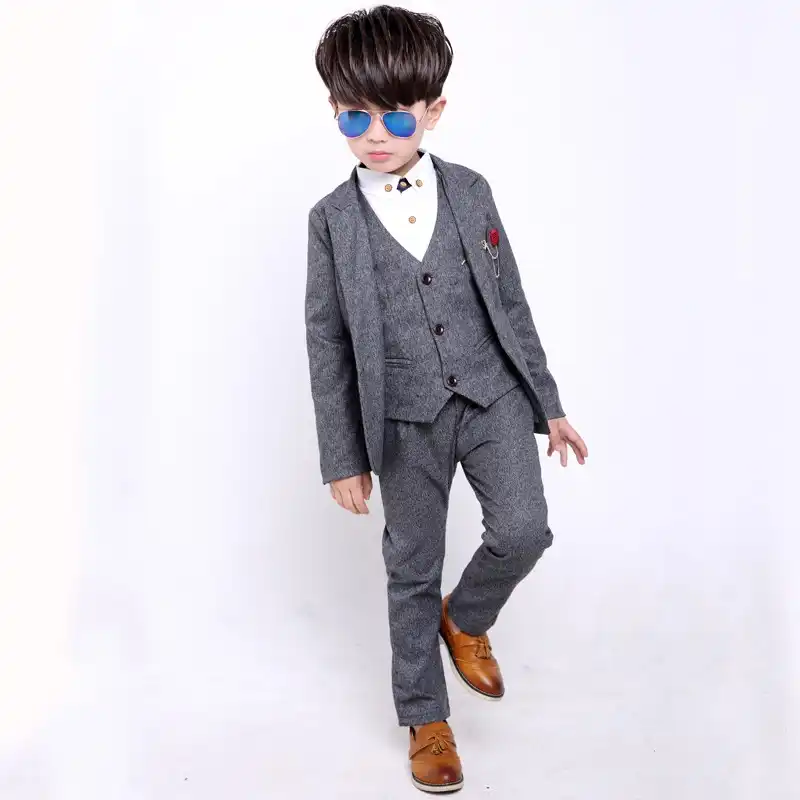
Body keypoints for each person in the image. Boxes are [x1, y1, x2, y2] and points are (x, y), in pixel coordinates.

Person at [305, 5, 588, 793]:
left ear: (433, 111)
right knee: (411, 566)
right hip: (402, 417)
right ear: (335, 111)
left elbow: (510, 301)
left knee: (525, 530)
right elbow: (326, 343)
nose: (375, 134)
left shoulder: (470, 190)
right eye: (355, 116)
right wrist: (343, 456)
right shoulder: (330, 222)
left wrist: (548, 403)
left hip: (491, 393)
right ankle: (425, 717)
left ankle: (465, 619)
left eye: (395, 116)